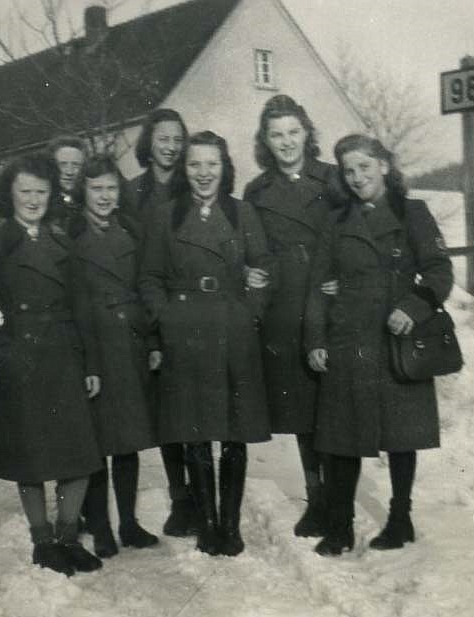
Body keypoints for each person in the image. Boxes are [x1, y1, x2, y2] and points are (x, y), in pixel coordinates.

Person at [304, 134, 453, 556]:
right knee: (341, 439)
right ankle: (340, 528)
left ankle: (400, 518)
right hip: (348, 342)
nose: (356, 178)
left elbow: (440, 272)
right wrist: (315, 338)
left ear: (384, 166)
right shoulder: (335, 222)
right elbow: (317, 285)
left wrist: (413, 307)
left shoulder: (413, 213)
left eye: (365, 167)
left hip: (395, 341)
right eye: (348, 170)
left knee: (401, 436)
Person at [139, 131, 277, 556]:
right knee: (195, 432)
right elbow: (150, 278)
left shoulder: (241, 213)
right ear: (185, 169)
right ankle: (208, 524)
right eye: (195, 164)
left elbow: (266, 265)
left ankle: (231, 526)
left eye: (211, 164)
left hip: (233, 328)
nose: (203, 173)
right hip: (187, 332)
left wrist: (250, 308)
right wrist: (167, 318)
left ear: (224, 167)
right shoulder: (166, 216)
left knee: (234, 432)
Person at [0, 152, 105, 576]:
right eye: (24, 192)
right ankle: (42, 541)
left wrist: (89, 362)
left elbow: (82, 306)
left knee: (78, 451)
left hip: (64, 354)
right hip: (22, 357)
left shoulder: (62, 243)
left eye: (41, 191)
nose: (33, 200)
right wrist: (5, 353)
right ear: (10, 194)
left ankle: (68, 536)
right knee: (31, 454)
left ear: (52, 194)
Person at [242, 95, 342, 538]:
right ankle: (317, 499)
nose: (286, 142)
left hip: (328, 296)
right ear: (265, 141)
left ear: (307, 133)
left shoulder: (334, 179)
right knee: (302, 409)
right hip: (285, 306)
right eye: (276, 134)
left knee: (337, 403)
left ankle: (340, 497)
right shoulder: (257, 191)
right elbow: (254, 250)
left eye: (293, 132)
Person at [69, 155, 160, 558]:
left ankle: (128, 522)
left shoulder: (131, 230)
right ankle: (101, 526)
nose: (104, 196)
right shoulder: (68, 234)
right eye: (96, 189)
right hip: (93, 344)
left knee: (128, 439)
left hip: (129, 341)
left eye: (110, 188)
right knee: (96, 441)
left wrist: (153, 340)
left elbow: (146, 284)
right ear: (82, 192)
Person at [122, 108, 198, 537]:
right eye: (162, 138)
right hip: (151, 306)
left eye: (177, 138)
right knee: (168, 404)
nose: (170, 146)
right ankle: (180, 497)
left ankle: (204, 491)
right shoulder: (132, 193)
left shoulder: (198, 184)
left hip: (195, 308)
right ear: (149, 142)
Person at [47, 135, 88, 231]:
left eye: (76, 165)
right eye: (62, 165)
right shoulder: (43, 206)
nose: (69, 172)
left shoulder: (90, 202)